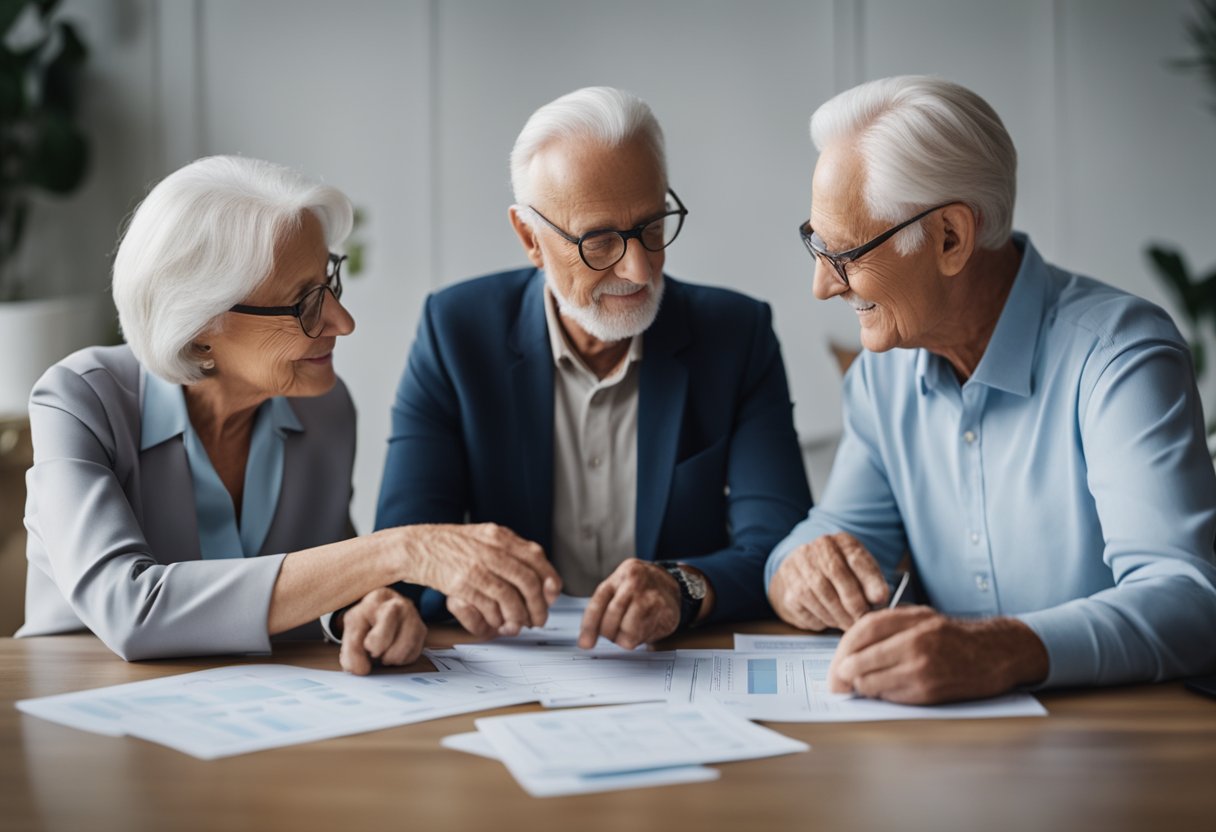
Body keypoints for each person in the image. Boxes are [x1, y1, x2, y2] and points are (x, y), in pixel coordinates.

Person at [766, 75, 1216, 704]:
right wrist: (795, 572)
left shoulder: (1119, 356)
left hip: (1122, 745)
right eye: (816, 243)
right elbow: (834, 535)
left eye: (845, 254)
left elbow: (1188, 600)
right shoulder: (882, 375)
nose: (822, 286)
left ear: (951, 237)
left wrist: (1000, 649)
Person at [16, 156, 559, 673]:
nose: (342, 322)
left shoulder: (324, 409)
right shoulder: (79, 400)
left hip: (256, 721)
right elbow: (129, 610)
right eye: (304, 303)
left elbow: (326, 579)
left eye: (330, 283)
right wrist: (399, 551)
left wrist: (358, 613)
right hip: (83, 715)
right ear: (201, 325)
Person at [373, 86, 812, 649]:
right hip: (505, 666)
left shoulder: (736, 334)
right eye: (600, 241)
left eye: (652, 227)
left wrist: (679, 588)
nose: (639, 267)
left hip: (679, 663)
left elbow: (779, 546)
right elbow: (406, 544)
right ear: (530, 237)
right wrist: (442, 589)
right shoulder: (456, 332)